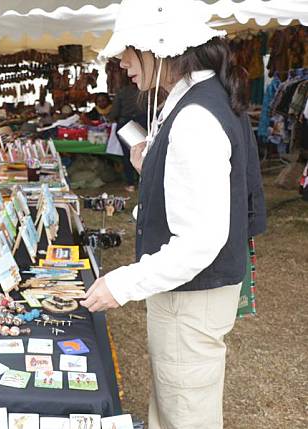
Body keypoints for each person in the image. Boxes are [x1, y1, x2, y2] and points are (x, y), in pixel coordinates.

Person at [80, 1, 266, 428]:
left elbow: (200, 240)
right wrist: (156, 166)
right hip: (190, 296)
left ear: (160, 46)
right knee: (172, 408)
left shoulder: (196, 116)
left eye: (130, 48)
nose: (123, 61)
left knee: (185, 416)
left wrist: (122, 283)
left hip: (191, 297)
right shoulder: (201, 98)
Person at [107, 75, 148, 192]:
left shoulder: (122, 92)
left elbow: (114, 112)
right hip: (142, 122)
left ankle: (130, 183)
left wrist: (111, 118)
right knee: (145, 152)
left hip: (126, 124)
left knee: (128, 155)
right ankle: (144, 180)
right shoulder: (145, 91)